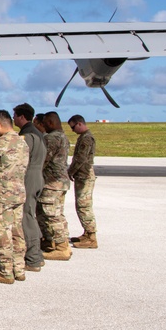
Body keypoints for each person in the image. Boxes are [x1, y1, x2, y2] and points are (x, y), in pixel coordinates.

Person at [0, 110, 29, 285]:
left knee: (1, 230)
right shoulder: (22, 142)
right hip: (18, 191)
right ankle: (19, 268)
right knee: (17, 230)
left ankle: (5, 270)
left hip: (2, 193)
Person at [13, 103, 45, 272]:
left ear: (22, 117)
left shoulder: (27, 135)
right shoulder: (37, 133)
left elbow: (20, 160)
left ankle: (33, 257)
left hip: (29, 177)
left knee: (26, 216)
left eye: (15, 116)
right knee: (30, 214)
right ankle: (34, 254)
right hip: (37, 174)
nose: (13, 119)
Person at [40, 112, 73, 261]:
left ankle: (61, 247)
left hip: (52, 182)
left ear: (51, 123)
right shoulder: (63, 136)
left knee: (51, 215)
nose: (44, 126)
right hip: (61, 182)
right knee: (58, 214)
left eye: (45, 123)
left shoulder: (51, 138)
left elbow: (44, 160)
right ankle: (63, 243)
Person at [68, 114, 98, 249]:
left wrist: (70, 171)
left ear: (79, 124)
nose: (73, 130)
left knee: (84, 206)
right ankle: (87, 233)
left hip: (85, 176)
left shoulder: (86, 138)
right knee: (80, 205)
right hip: (82, 175)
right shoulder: (83, 137)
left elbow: (81, 159)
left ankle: (91, 237)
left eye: (73, 127)